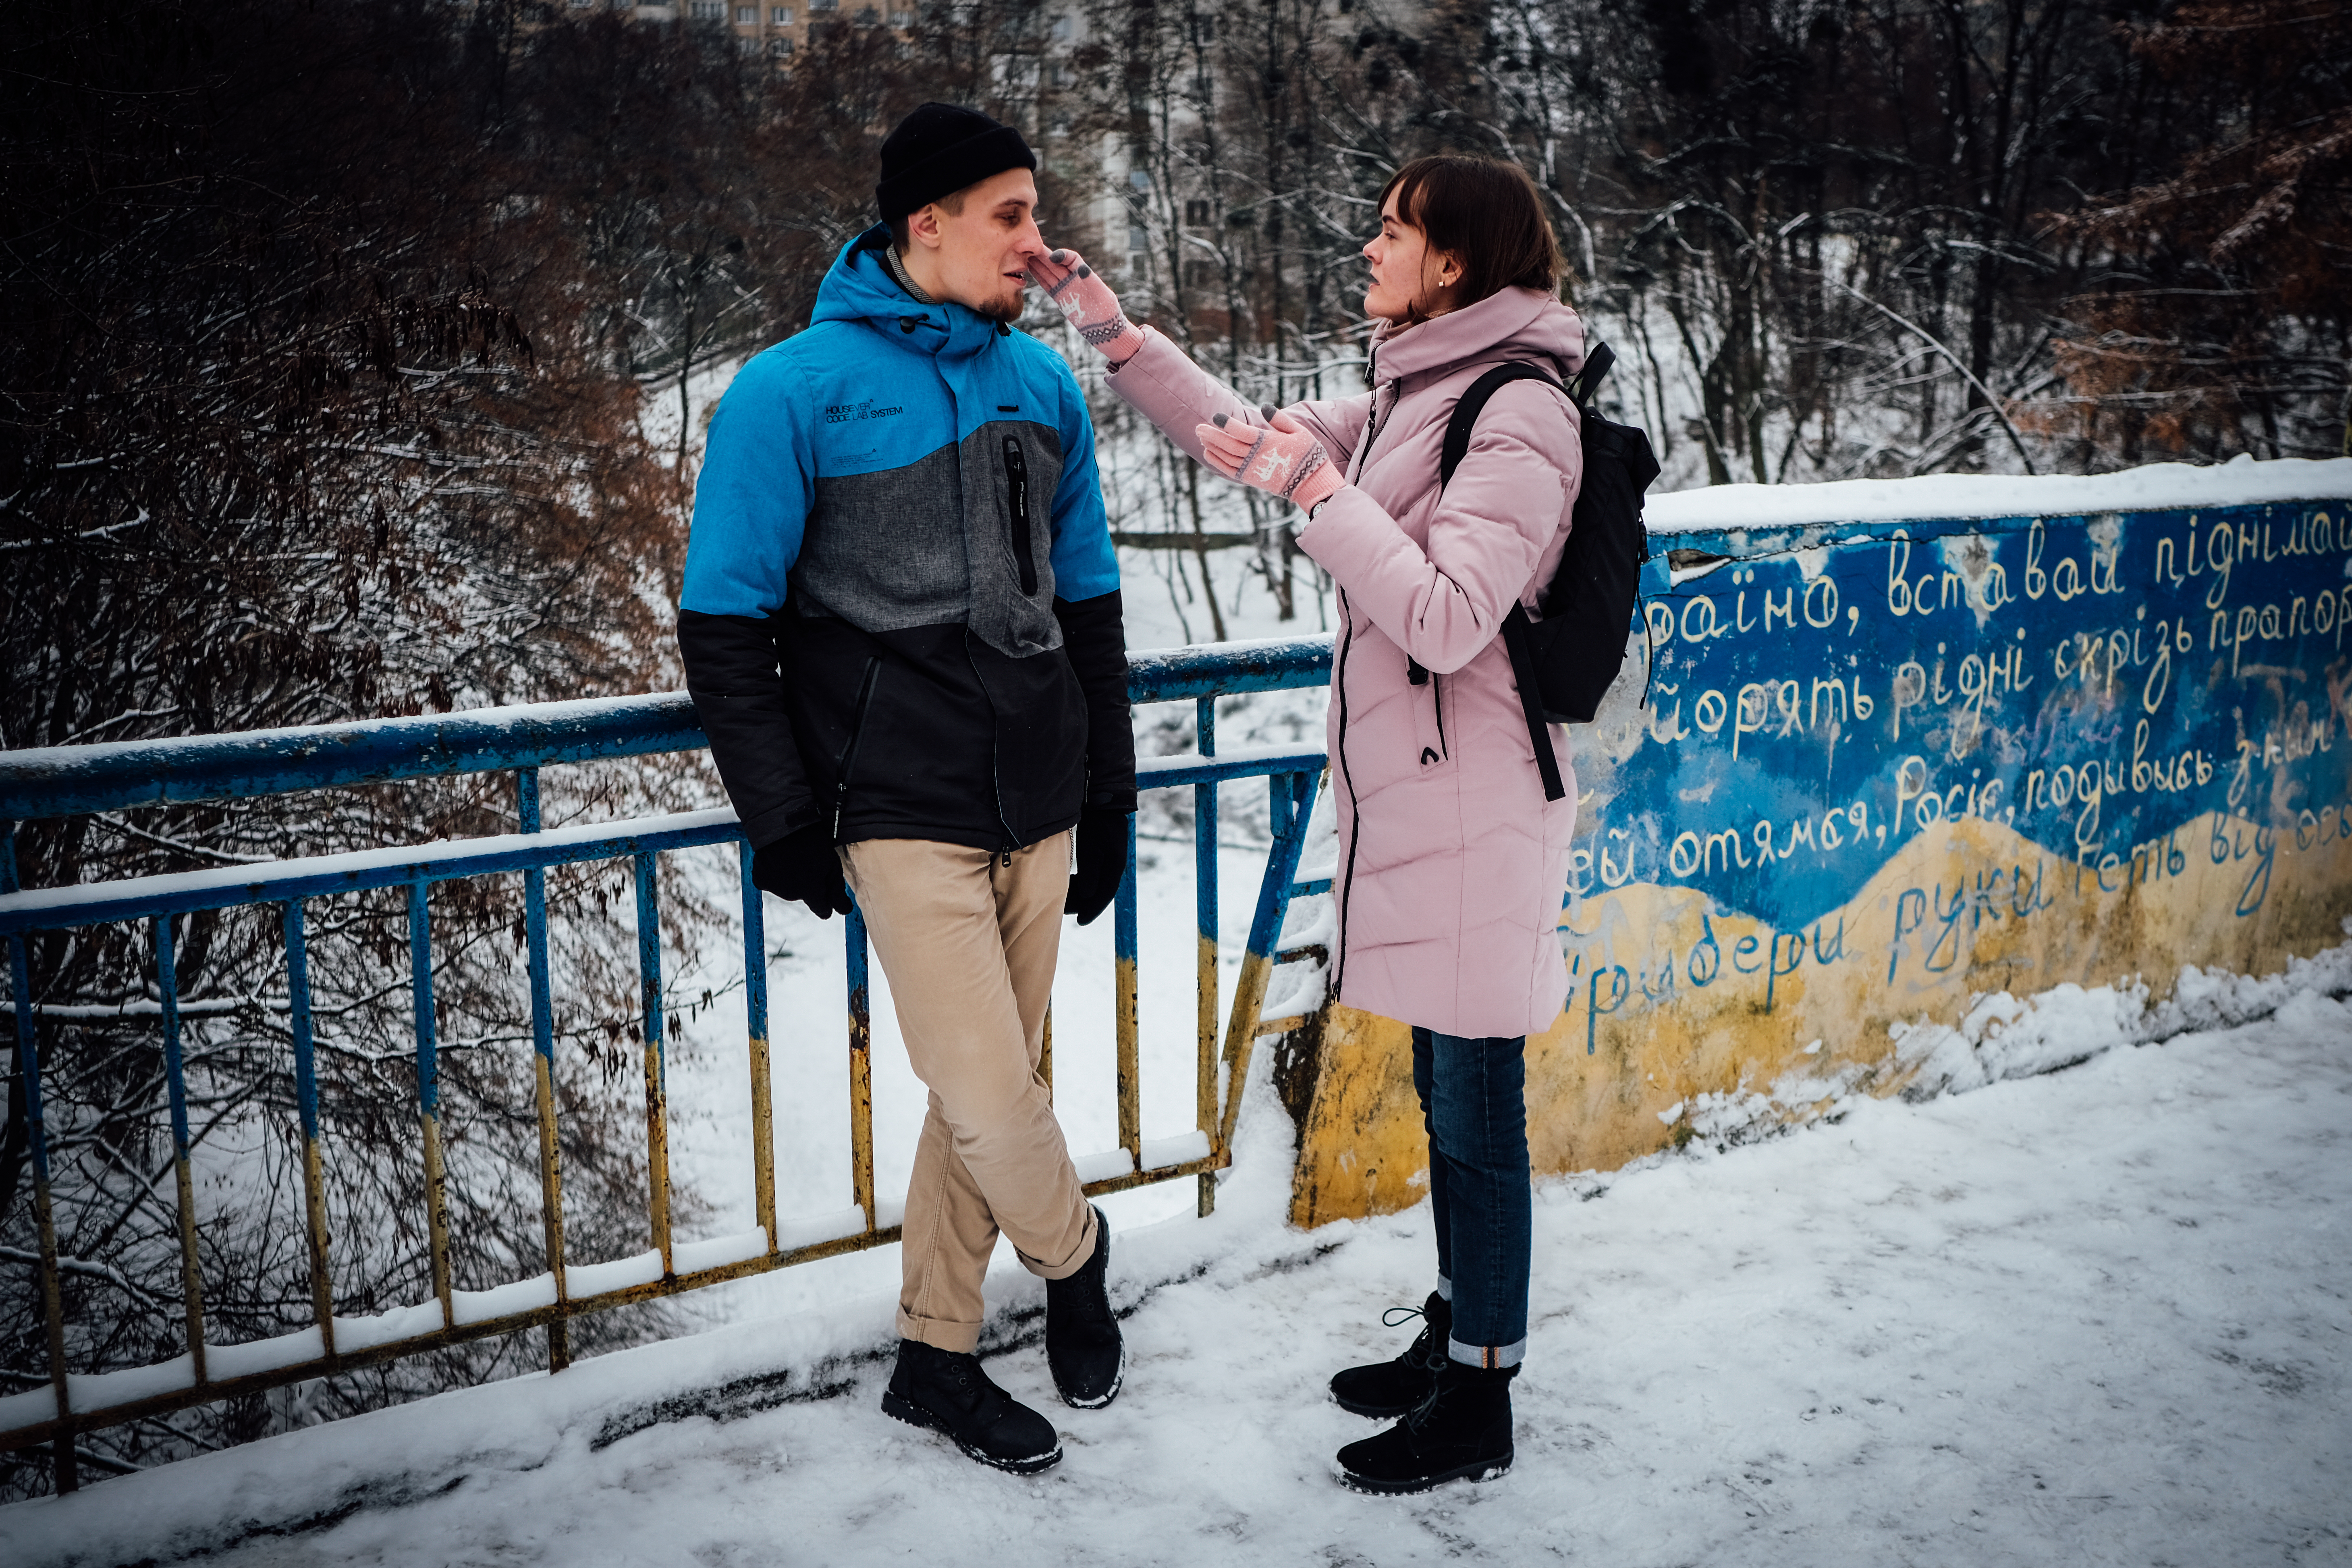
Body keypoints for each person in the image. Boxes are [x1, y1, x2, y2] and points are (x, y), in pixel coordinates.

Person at [1029, 153, 1582, 1494]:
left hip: (1484, 801)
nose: (1370, 247)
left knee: (1479, 1101)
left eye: (1394, 232)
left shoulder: (1522, 417)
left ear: (1454, 262)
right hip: (1427, 803)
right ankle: (1460, 1338)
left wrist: (1319, 496)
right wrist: (1115, 331)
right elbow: (1242, 428)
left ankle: (1483, 1394)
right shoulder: (1419, 391)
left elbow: (1449, 616)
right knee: (1451, 1091)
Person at [677, 103, 1136, 1477]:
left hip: (1040, 792)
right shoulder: (790, 391)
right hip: (896, 802)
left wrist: (1108, 794)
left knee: (978, 1098)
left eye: (1037, 215)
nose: (1034, 244)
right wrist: (779, 813)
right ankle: (1080, 1250)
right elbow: (722, 621)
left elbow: (1096, 610)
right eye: (1010, 216)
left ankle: (936, 1358)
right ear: (918, 223)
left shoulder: (1043, 388)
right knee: (995, 1094)